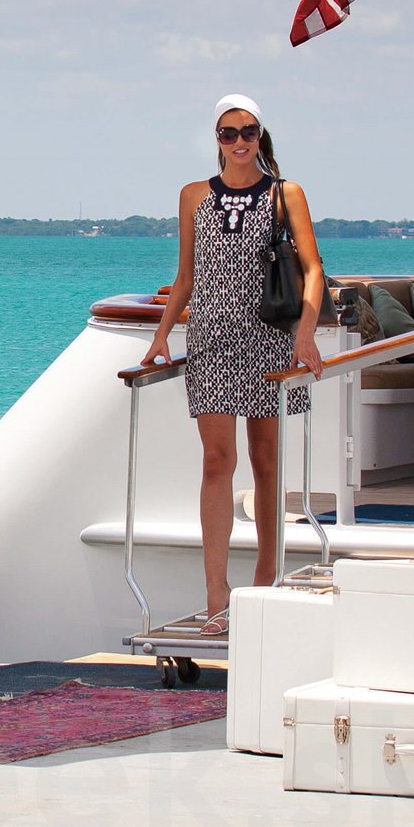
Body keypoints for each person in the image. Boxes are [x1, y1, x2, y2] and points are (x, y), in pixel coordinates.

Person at [141, 95, 326, 636]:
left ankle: (266, 579)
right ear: (216, 139)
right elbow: (186, 276)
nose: (239, 141)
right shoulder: (193, 196)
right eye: (228, 133)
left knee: (265, 462)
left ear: (259, 136)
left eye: (248, 132)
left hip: (270, 338)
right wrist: (161, 335)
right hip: (212, 339)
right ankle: (216, 595)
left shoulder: (285, 193)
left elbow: (314, 270)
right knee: (216, 461)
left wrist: (306, 336)